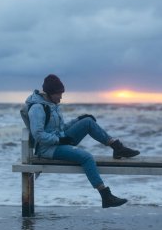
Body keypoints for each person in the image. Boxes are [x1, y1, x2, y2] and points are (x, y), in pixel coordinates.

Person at [25, 74, 140, 208]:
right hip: (47, 149)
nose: (61, 97)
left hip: (60, 141)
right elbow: (38, 135)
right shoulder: (37, 108)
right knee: (87, 158)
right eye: (59, 94)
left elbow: (62, 128)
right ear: (50, 93)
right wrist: (59, 140)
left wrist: (78, 120)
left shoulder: (52, 105)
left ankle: (117, 147)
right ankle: (105, 195)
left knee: (88, 122)